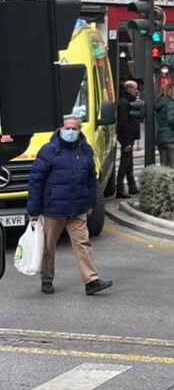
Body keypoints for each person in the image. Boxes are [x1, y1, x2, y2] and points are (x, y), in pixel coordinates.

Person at [27, 115, 113, 296]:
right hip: (53, 210)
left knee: (83, 243)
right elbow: (36, 182)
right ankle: (47, 279)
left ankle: (91, 281)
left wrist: (90, 203)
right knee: (48, 247)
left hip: (78, 209)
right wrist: (34, 211)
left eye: (75, 128)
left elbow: (91, 179)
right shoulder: (49, 151)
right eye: (68, 128)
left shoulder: (86, 150)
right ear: (60, 129)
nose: (71, 132)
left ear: (80, 130)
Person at [115, 80, 141, 199]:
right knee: (125, 163)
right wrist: (126, 142)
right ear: (129, 89)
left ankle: (132, 187)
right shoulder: (124, 103)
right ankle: (120, 188)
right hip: (127, 137)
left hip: (129, 136)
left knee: (129, 163)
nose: (137, 91)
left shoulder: (128, 102)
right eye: (135, 88)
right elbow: (123, 124)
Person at [154, 83, 174, 168]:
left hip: (161, 138)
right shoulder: (171, 103)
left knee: (164, 167)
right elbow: (171, 119)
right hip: (172, 138)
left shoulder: (158, 104)